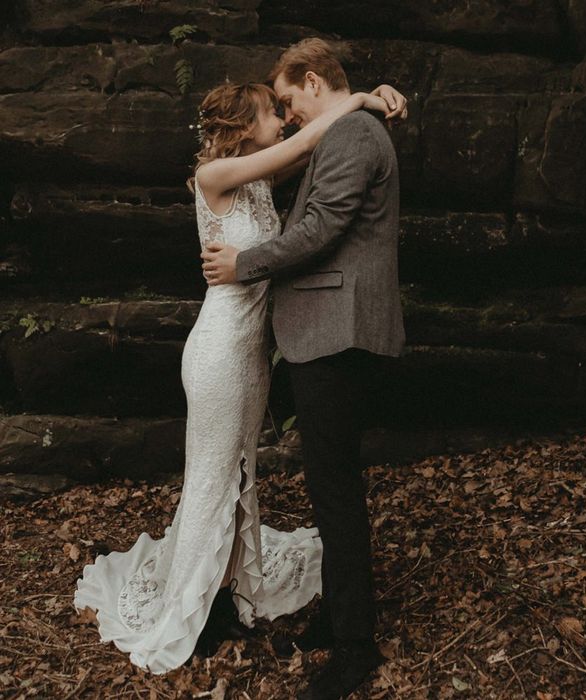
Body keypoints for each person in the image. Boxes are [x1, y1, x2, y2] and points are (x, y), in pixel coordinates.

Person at [73, 77, 406, 675]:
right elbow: (299, 147)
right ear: (243, 126)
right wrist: (354, 102)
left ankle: (223, 587)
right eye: (270, 114)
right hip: (220, 351)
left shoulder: (252, 180)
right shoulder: (214, 177)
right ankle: (191, 609)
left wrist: (366, 98)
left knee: (239, 469)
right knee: (211, 474)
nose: (281, 120)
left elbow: (308, 151)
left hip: (252, 352)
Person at [201, 38, 407, 700]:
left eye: (289, 101)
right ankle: (339, 622)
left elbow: (319, 229)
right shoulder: (347, 127)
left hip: (337, 333)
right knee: (329, 484)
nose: (288, 116)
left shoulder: (353, 138)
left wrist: (243, 266)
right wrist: (370, 97)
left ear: (313, 82)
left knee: (336, 490)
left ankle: (355, 648)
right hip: (326, 331)